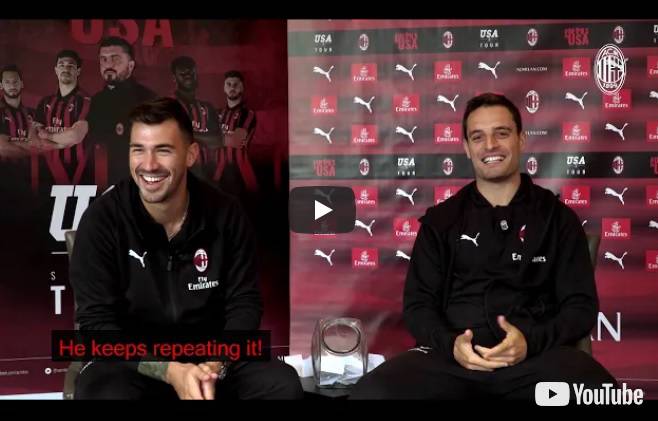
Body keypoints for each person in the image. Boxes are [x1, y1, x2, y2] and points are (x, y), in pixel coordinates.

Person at [350, 93, 617, 400]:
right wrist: (452, 345)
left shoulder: (558, 219)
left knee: (602, 393)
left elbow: (580, 308)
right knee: (372, 393)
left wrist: (529, 342)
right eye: (478, 137)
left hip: (537, 359)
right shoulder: (441, 221)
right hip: (453, 361)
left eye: (501, 133)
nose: (490, 145)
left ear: (521, 139)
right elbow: (418, 307)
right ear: (467, 147)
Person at [70, 97, 302, 400]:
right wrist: (169, 371)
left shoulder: (226, 214)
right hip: (135, 364)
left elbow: (244, 304)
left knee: (282, 385)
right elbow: (97, 324)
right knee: (102, 394)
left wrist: (213, 366)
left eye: (163, 150)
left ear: (191, 154)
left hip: (211, 358)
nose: (148, 164)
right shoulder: (102, 220)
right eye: (138, 149)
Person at [86, 36, 157, 189]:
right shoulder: (96, 100)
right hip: (103, 185)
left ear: (131, 66)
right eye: (103, 59)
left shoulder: (148, 99)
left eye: (115, 59)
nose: (108, 64)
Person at [32, 49, 92, 187]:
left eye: (70, 65)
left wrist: (47, 135)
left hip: (78, 174)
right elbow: (33, 137)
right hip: (46, 173)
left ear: (78, 71)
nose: (65, 69)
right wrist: (60, 142)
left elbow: (74, 136)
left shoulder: (86, 101)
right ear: (56, 70)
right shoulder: (45, 102)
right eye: (61, 65)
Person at [213, 70, 258, 196]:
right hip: (218, 174)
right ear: (224, 88)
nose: (232, 87)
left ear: (242, 88)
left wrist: (212, 138)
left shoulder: (248, 114)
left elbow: (237, 140)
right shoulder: (217, 113)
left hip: (241, 174)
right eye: (228, 84)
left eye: (236, 84)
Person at [0, 64, 37, 158]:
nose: (12, 85)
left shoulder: (33, 114)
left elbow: (41, 144)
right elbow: (2, 147)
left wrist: (11, 142)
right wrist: (31, 149)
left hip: (29, 167)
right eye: (7, 82)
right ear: (1, 86)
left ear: (22, 84)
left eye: (15, 81)